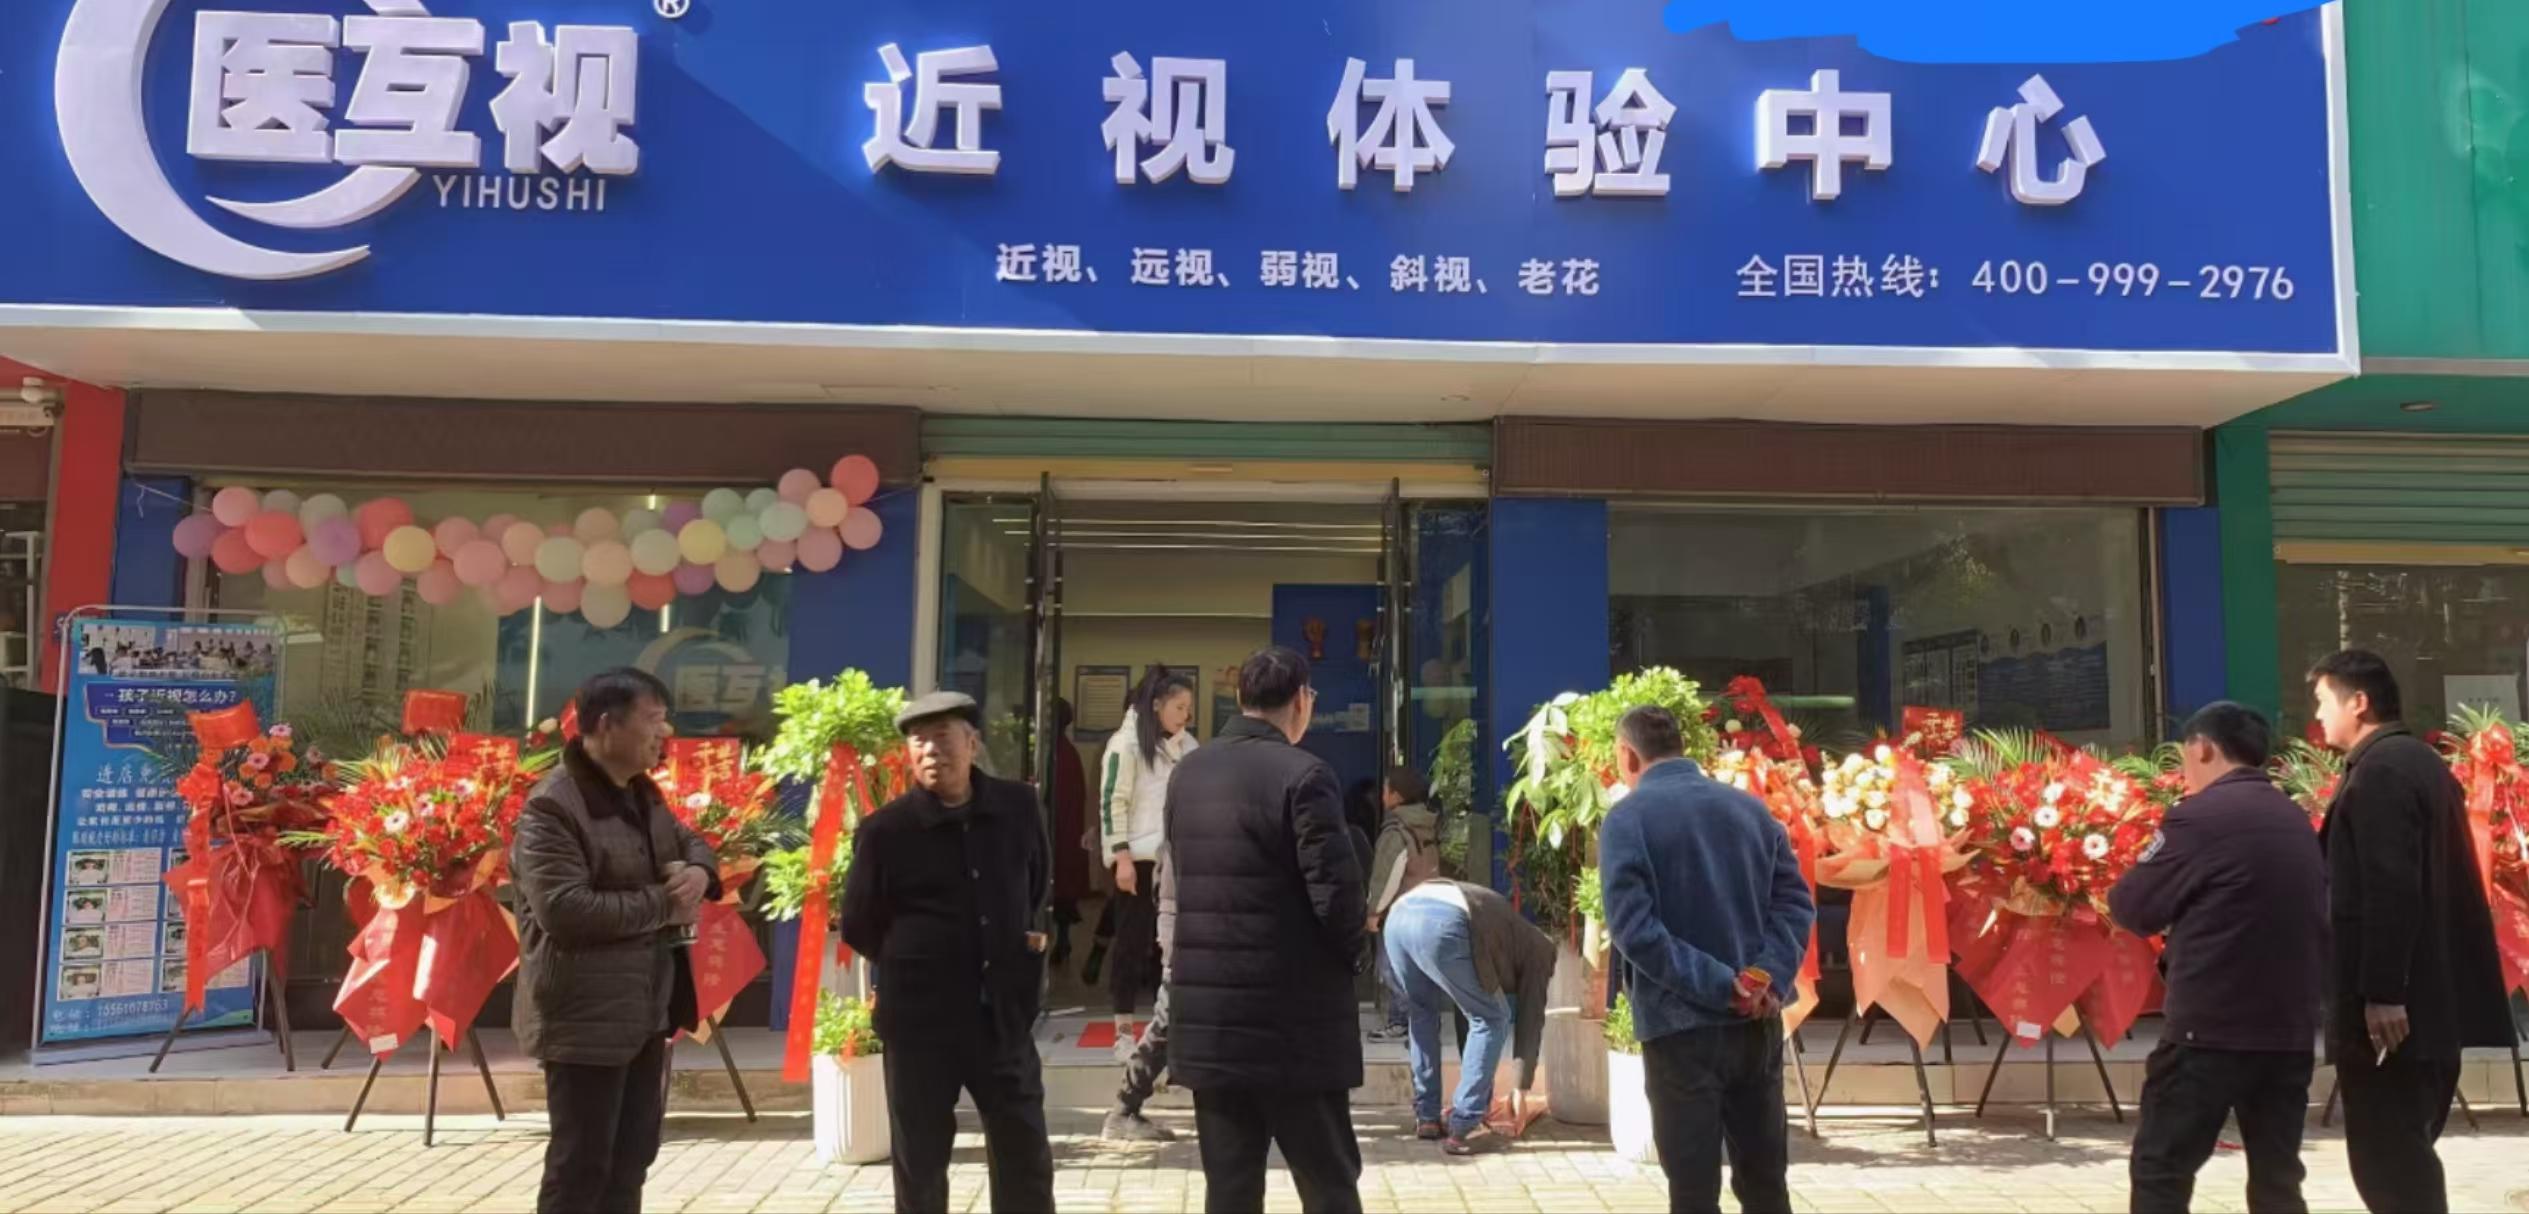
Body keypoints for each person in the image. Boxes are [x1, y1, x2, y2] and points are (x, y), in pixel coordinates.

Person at [2307, 650, 2513, 1214]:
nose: (2318, 715)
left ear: (2359, 702)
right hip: (2428, 1006)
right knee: (2403, 1159)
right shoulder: (2418, 762)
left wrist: (2383, 991)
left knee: (2391, 1168)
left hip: (2397, 1016)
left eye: (2323, 701)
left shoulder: (2382, 771)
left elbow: (2390, 886)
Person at [1166, 646, 1367, 1214]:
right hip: (1293, 1026)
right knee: (1327, 1184)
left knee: (1229, 1188)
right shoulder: (1305, 775)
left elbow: (1184, 876)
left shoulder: (1189, 773)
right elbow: (1336, 898)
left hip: (1211, 1023)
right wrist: (1354, 956)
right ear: (1302, 701)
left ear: (1239, 697)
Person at [511, 669, 720, 1214]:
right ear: (607, 724)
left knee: (631, 1161)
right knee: (581, 1168)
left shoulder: (643, 794)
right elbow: (565, 910)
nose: (664, 732)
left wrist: (700, 872)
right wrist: (664, 904)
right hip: (582, 1017)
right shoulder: (552, 807)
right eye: (653, 720)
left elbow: (691, 842)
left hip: (644, 1009)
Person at [837, 691, 1055, 1214]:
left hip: (1001, 1013)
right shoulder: (884, 831)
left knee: (1024, 1150)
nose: (932, 750)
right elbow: (860, 924)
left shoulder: (1018, 807)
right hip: (920, 1023)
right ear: (909, 755)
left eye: (943, 738)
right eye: (920, 742)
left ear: (972, 743)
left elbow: (1035, 885)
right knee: (921, 1160)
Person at [2107, 702, 2327, 1214]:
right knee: (2277, 1181)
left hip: (2208, 1031)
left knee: (2162, 1169)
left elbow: (2133, 906)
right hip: (2288, 1031)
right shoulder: (2294, 818)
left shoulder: (2199, 817)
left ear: (2203, 748)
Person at [1598, 706, 1813, 1214]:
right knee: (1766, 1185)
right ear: (1682, 746)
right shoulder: (1750, 810)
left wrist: (1721, 985)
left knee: (1693, 1191)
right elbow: (1795, 904)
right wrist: (1764, 977)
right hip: (1756, 1021)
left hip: (1679, 1028)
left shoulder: (1627, 819)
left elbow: (1635, 930)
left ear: (1628, 755)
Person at [1382, 874, 1554, 1156]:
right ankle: (1465, 1124)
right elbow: (1531, 1020)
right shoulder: (1541, 950)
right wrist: (1521, 1089)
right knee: (1493, 1018)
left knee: (1422, 1013)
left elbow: (1468, 1015)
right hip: (1444, 920)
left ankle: (1427, 1117)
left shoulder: (1506, 933)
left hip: (1398, 917)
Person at [1099, 667, 1199, 1060]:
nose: (1186, 715)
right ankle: (1123, 1031)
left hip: (1177, 862)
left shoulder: (1188, 746)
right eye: (1179, 707)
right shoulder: (1126, 744)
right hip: (1138, 862)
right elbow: (1112, 802)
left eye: (1189, 708)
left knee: (1173, 947)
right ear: (1157, 705)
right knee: (1131, 944)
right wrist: (1121, 857)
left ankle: (1170, 1029)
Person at [1107, 839, 1180, 1142]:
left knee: (1171, 1014)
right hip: (1190, 914)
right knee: (1169, 1014)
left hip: (1192, 908)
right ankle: (1125, 1107)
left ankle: (1126, 1107)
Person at [1367, 768, 1442, 1044]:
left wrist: (1373, 912)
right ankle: (1408, 1022)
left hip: (1399, 913)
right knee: (1416, 969)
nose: (1382, 795)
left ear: (1397, 796)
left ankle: (1413, 1022)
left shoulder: (1396, 831)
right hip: (1426, 908)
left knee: (1390, 969)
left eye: (1386, 790)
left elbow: (1386, 876)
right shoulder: (1426, 825)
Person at [1048, 698, 1092, 968]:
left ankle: (1061, 941)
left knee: (1058, 891)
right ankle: (1062, 940)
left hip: (1058, 834)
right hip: (1066, 834)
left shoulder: (1055, 755)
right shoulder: (1069, 753)